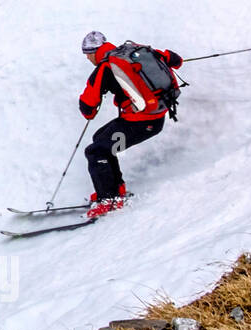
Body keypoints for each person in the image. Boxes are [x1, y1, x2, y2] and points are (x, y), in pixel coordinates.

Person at [78, 30, 183, 219]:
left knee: (96, 151)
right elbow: (175, 59)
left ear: (93, 52)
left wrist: (89, 108)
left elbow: (88, 108)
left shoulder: (105, 68)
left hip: (140, 122)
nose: (88, 59)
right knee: (101, 140)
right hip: (156, 118)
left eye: (87, 55)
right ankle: (115, 189)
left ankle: (108, 199)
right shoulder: (133, 52)